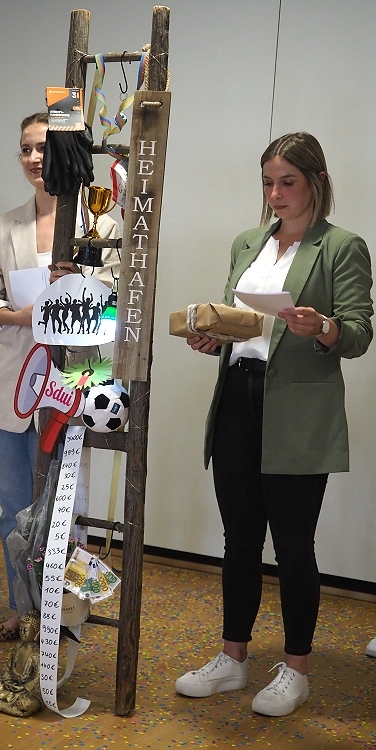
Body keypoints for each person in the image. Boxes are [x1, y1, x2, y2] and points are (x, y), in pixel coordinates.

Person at [176, 132, 373, 716]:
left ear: (316, 181)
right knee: (239, 538)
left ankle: (296, 669)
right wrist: (214, 337)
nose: (276, 193)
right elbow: (241, 323)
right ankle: (232, 658)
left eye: (288, 182)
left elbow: (359, 333)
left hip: (297, 408)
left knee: (292, 544)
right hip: (238, 396)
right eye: (268, 182)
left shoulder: (341, 246)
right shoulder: (247, 242)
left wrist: (323, 327)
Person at [0, 112, 119, 641]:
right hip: (12, 378)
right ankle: (21, 607)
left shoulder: (100, 221)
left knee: (66, 508)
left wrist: (78, 289)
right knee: (14, 505)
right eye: (26, 149)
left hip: (72, 379)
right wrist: (22, 316)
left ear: (65, 155)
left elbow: (116, 310)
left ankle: (62, 614)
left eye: (44, 148)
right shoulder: (6, 223)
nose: (35, 158)